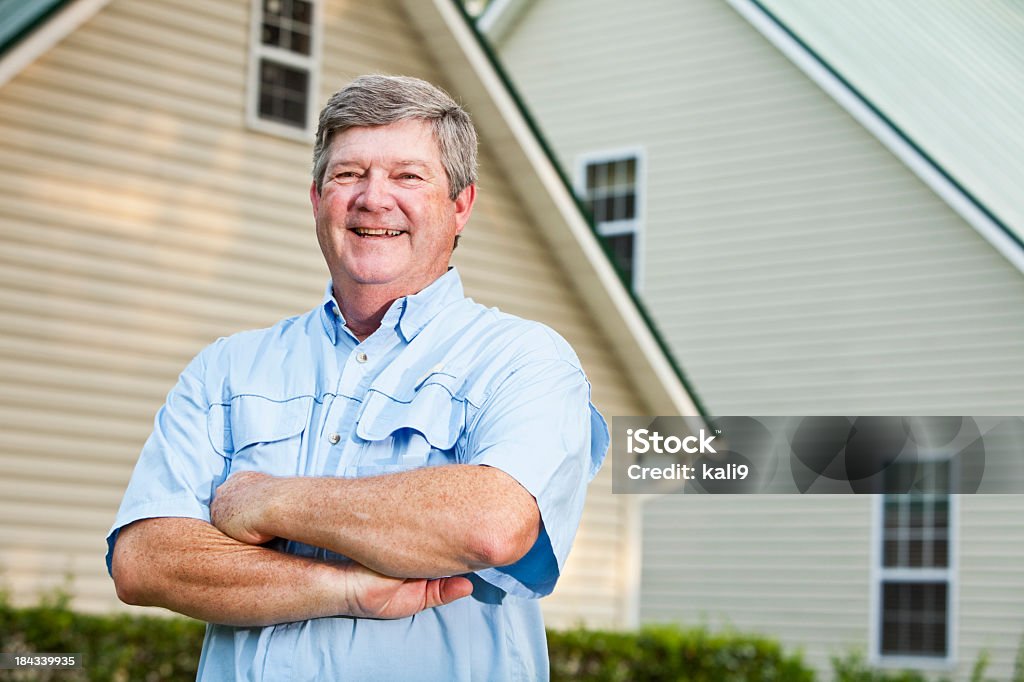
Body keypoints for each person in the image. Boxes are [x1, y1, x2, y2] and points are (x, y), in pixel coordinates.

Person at [106, 74, 608, 681]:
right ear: (317, 198)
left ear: (461, 206)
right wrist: (346, 588)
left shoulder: (524, 359)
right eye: (349, 174)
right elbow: (146, 561)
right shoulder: (228, 368)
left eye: (408, 176)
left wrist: (267, 500)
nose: (374, 199)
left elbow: (492, 524)